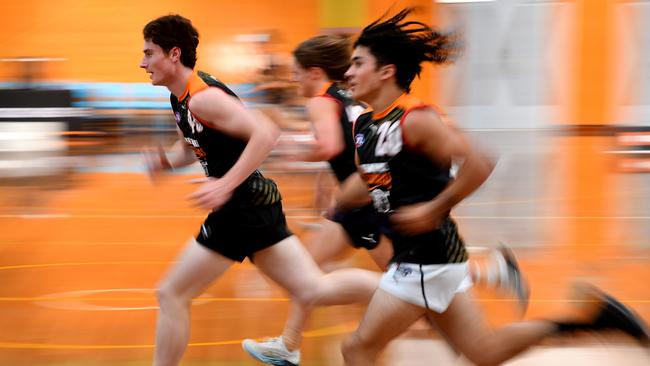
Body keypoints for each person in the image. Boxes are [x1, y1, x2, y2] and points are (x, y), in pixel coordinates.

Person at [337, 8, 649, 365]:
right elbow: (375, 178)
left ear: (386, 71)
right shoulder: (364, 124)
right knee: (483, 352)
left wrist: (433, 209)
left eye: (358, 63)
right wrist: (344, 197)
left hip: (423, 262)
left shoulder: (416, 118)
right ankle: (591, 322)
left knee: (357, 349)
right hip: (435, 259)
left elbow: (480, 161)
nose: (348, 72)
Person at [242, 34, 530, 366]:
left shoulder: (347, 105)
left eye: (358, 63)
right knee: (479, 348)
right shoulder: (359, 113)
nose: (293, 78)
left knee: (330, 299)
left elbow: (331, 147)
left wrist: (288, 152)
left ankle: (293, 342)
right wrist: (335, 197)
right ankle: (506, 288)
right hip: (383, 214)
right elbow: (361, 166)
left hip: (399, 227)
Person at [138, 15, 381, 366]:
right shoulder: (182, 99)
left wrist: (224, 184)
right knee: (312, 288)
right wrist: (164, 161)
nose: (143, 62)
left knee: (171, 293)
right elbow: (188, 150)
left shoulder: (203, 98)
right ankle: (403, 292)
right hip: (255, 205)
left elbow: (266, 133)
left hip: (241, 207)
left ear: (174, 54)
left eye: (149, 53)